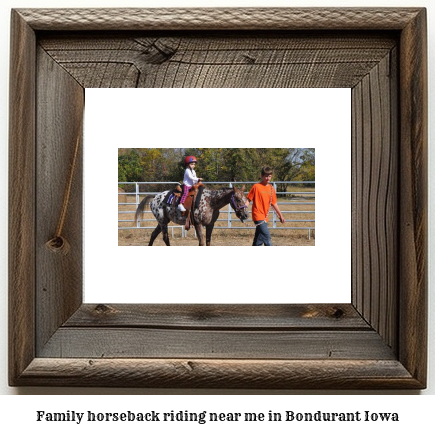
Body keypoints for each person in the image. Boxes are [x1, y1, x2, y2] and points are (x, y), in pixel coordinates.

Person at [245, 166, 285, 246]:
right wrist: (243, 211)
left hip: (265, 217)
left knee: (258, 241)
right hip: (258, 215)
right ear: (262, 176)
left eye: (269, 176)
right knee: (267, 238)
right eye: (266, 176)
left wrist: (280, 215)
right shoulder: (256, 186)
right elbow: (248, 200)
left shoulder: (271, 188)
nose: (268, 178)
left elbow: (274, 203)